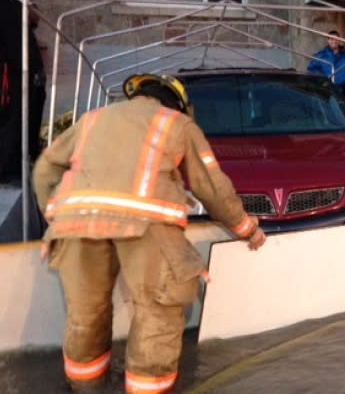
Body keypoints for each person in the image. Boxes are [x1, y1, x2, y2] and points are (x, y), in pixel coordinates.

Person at [32, 73, 267, 393]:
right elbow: (211, 187)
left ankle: (85, 387)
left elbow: (45, 169)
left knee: (85, 318)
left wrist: (57, 219)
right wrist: (247, 229)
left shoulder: (91, 119)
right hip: (147, 226)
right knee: (158, 315)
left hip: (76, 227)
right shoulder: (177, 124)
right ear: (178, 103)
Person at [0, 0, 47, 180]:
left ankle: (22, 160)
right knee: (11, 117)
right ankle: (6, 167)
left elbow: (27, 37)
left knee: (30, 111)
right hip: (9, 74)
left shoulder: (17, 5)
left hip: (28, 72)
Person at [307, 30, 345, 98]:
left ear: (339, 40)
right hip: (326, 90)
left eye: (336, 39)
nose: (334, 41)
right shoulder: (321, 55)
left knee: (342, 108)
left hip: (342, 90)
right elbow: (311, 69)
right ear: (328, 40)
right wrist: (322, 80)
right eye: (331, 39)